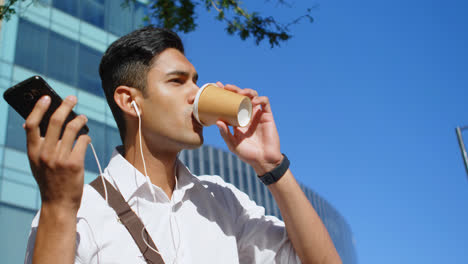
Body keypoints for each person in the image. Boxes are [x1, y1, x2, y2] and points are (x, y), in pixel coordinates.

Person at [23, 26, 341, 264]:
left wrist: (272, 166)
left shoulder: (223, 200)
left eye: (195, 80)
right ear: (129, 101)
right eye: (177, 81)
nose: (196, 92)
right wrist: (58, 210)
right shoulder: (76, 211)